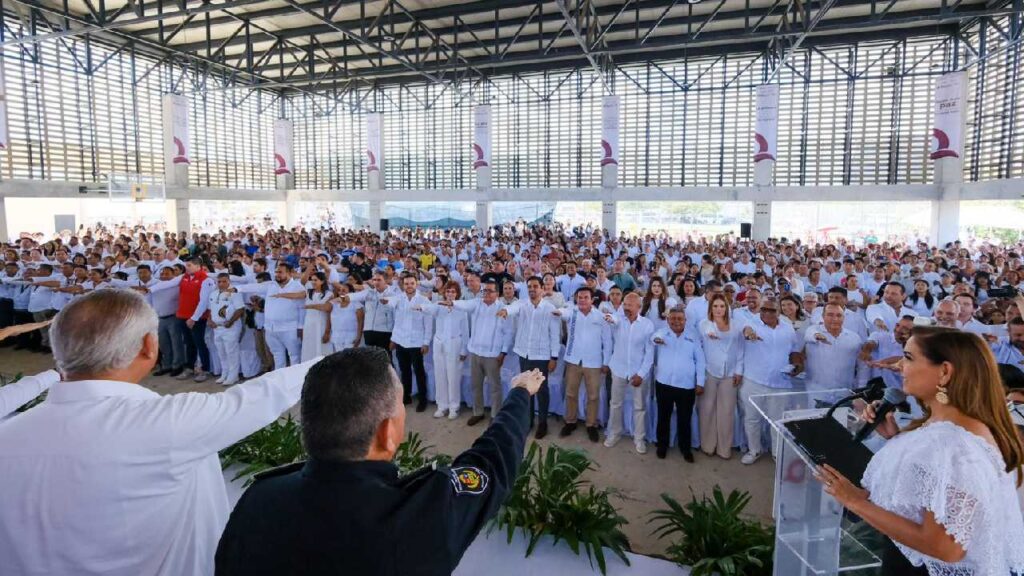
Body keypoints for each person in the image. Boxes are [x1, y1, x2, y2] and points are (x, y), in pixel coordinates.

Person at [0, 289, 322, 576]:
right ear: (149, 346)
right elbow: (265, 394)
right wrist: (333, 359)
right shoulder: (164, 423)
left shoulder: (8, 436)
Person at [215, 348, 545, 576]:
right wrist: (519, 394)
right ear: (387, 432)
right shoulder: (415, 516)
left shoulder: (258, 500)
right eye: (399, 405)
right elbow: (492, 461)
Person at [816, 327, 1024, 576]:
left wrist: (854, 501)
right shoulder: (946, 425)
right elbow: (926, 488)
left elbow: (947, 548)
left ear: (945, 372)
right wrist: (896, 440)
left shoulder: (955, 447)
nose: (900, 365)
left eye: (909, 357)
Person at [736, 297, 802, 464]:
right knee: (751, 419)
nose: (766, 313)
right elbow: (744, 329)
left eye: (771, 310)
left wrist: (797, 364)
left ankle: (776, 452)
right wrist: (748, 332)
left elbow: (794, 351)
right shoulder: (751, 324)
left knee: (777, 421)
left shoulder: (788, 329)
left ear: (778, 311)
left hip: (780, 383)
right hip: (753, 381)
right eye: (763, 309)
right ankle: (754, 450)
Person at [499, 276, 560, 438]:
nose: (532, 289)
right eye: (529, 287)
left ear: (541, 288)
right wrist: (506, 310)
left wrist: (554, 357)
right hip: (524, 353)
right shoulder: (522, 304)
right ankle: (528, 421)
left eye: (535, 286)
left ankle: (542, 423)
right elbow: (513, 308)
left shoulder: (549, 308)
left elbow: (555, 335)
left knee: (541, 390)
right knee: (526, 389)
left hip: (542, 355)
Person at [448, 280, 512, 425]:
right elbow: (464, 305)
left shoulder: (503, 308)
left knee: (495, 387)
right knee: (476, 385)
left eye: (490, 291)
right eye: (484, 291)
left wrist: (503, 353)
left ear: (497, 293)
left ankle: (496, 415)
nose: (486, 294)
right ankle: (478, 412)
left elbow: (508, 333)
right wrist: (453, 303)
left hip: (493, 355)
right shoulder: (476, 304)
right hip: (476, 352)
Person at [558, 286, 612, 442]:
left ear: (592, 299)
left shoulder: (601, 317)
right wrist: (559, 312)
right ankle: (570, 421)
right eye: (579, 297)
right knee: (570, 393)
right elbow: (563, 312)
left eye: (585, 297)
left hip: (593, 362)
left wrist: (606, 362)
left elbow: (607, 342)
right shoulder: (572, 312)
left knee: (593, 396)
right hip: (573, 360)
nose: (582, 300)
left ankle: (591, 425)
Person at [651, 307, 705, 461]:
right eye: (673, 318)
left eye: (680, 318)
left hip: (686, 385)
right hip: (664, 382)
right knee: (663, 417)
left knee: (684, 419)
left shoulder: (693, 336)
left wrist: (700, 382)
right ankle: (662, 445)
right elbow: (654, 337)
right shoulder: (662, 333)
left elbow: (700, 361)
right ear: (667, 320)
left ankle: (685, 448)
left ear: (685, 321)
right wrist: (657, 339)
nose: (676, 321)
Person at [604, 292, 655, 454]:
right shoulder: (618, 320)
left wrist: (641, 374)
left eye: (630, 305)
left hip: (638, 372)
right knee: (615, 404)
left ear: (639, 307)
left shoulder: (647, 325)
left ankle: (639, 439)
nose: (626, 308)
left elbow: (649, 353)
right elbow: (614, 319)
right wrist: (612, 318)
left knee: (639, 407)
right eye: (625, 304)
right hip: (618, 369)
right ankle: (614, 433)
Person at [234, 263, 305, 370]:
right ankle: (280, 381)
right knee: (277, 356)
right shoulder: (271, 285)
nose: (277, 274)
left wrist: (300, 326)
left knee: (294, 356)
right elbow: (253, 287)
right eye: (276, 272)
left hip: (290, 328)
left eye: (280, 272)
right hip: (271, 328)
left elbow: (301, 309)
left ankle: (294, 383)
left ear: (290, 273)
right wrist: (236, 289)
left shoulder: (297, 287)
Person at [698, 293, 743, 459]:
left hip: (730, 374)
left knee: (727, 412)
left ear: (727, 308)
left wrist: (739, 370)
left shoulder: (736, 325)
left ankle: (724, 449)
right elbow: (707, 331)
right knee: (707, 410)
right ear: (710, 308)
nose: (718, 309)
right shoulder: (704, 324)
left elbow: (740, 349)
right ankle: (708, 445)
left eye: (722, 306)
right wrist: (712, 332)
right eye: (715, 306)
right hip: (709, 372)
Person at [383, 274, 434, 411]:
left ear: (416, 284)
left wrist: (426, 343)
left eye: (411, 283)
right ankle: (407, 396)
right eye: (406, 284)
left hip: (417, 343)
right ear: (403, 285)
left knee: (419, 371)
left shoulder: (424, 300)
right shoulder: (399, 299)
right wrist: (393, 339)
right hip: (401, 341)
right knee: (404, 371)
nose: (409, 286)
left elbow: (428, 324)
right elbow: (397, 322)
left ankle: (422, 399)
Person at [420, 281, 469, 420]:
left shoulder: (461, 309)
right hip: (439, 343)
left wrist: (464, 350)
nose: (450, 294)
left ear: (457, 294)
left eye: (453, 292)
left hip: (455, 344)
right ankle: (442, 406)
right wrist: (420, 307)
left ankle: (454, 407)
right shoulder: (438, 306)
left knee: (453, 376)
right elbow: (429, 308)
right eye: (448, 291)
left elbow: (465, 332)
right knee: (439, 375)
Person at [803, 303, 863, 394]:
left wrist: (860, 390)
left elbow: (862, 367)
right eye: (830, 315)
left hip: (845, 393)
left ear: (844, 317)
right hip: (816, 392)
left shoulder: (854, 338)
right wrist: (817, 336)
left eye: (839, 315)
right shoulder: (812, 330)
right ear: (823, 316)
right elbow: (809, 335)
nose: (835, 319)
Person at [176, 258, 217, 382]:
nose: (186, 268)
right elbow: (170, 284)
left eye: (189, 265)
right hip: (183, 315)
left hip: (197, 318)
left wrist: (194, 318)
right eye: (185, 265)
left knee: (200, 343)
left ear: (198, 266)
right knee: (189, 343)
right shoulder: (185, 277)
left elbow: (203, 301)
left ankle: (205, 369)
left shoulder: (206, 280)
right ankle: (189, 367)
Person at [208, 272, 245, 386]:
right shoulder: (213, 293)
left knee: (231, 352)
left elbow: (240, 309)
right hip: (216, 328)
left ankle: (233, 376)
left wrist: (231, 321)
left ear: (229, 281)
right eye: (219, 281)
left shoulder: (234, 293)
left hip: (230, 327)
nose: (221, 284)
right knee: (221, 352)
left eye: (224, 281)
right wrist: (210, 320)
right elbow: (210, 309)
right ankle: (224, 374)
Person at [300, 271, 333, 362]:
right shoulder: (308, 292)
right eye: (312, 280)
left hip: (321, 324)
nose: (313, 282)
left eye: (316, 280)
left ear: (322, 281)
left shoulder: (329, 294)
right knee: (309, 347)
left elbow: (327, 309)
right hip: (309, 324)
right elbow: (296, 294)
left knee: (321, 349)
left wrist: (327, 331)